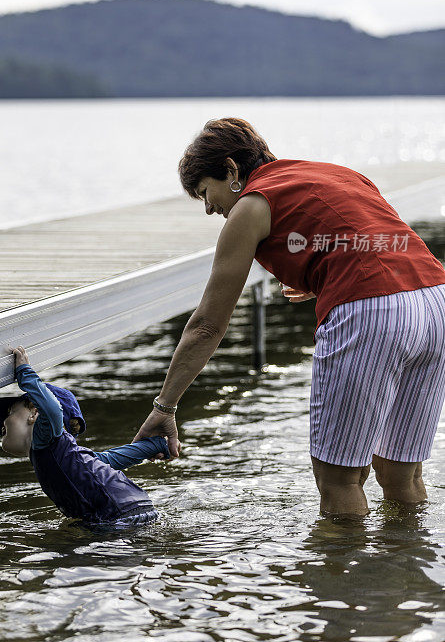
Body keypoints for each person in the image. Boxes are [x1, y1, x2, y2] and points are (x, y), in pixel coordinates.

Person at [133, 117, 445, 519]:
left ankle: (342, 579)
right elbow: (372, 241)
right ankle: (408, 569)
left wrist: (165, 406)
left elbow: (208, 324)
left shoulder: (250, 205)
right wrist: (322, 278)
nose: (209, 208)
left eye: (205, 193)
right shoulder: (337, 172)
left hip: (371, 312)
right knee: (401, 474)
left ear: (230, 170)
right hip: (435, 300)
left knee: (340, 482)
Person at [0, 346, 170, 528]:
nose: (4, 419)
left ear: (35, 412)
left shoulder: (46, 437)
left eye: (11, 411)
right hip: (133, 506)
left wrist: (25, 372)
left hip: (117, 514)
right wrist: (157, 445)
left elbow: (52, 410)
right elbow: (113, 458)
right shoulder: (70, 458)